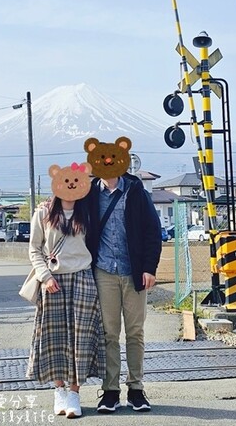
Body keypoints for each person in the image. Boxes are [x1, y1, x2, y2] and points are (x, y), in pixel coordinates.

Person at [83, 136, 162, 413]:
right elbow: (68, 211)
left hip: (134, 272)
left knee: (135, 332)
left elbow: (153, 232)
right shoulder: (89, 193)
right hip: (103, 271)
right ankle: (110, 391)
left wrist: (150, 268)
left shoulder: (137, 192)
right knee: (108, 333)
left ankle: (137, 389)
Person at [27, 162, 105, 419]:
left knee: (81, 338)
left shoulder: (88, 211)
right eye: (66, 181)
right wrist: (45, 276)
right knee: (55, 338)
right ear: (56, 183)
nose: (71, 186)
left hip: (82, 278)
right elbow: (34, 249)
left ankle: (75, 392)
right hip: (53, 282)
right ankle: (59, 390)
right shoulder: (44, 212)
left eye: (76, 181)